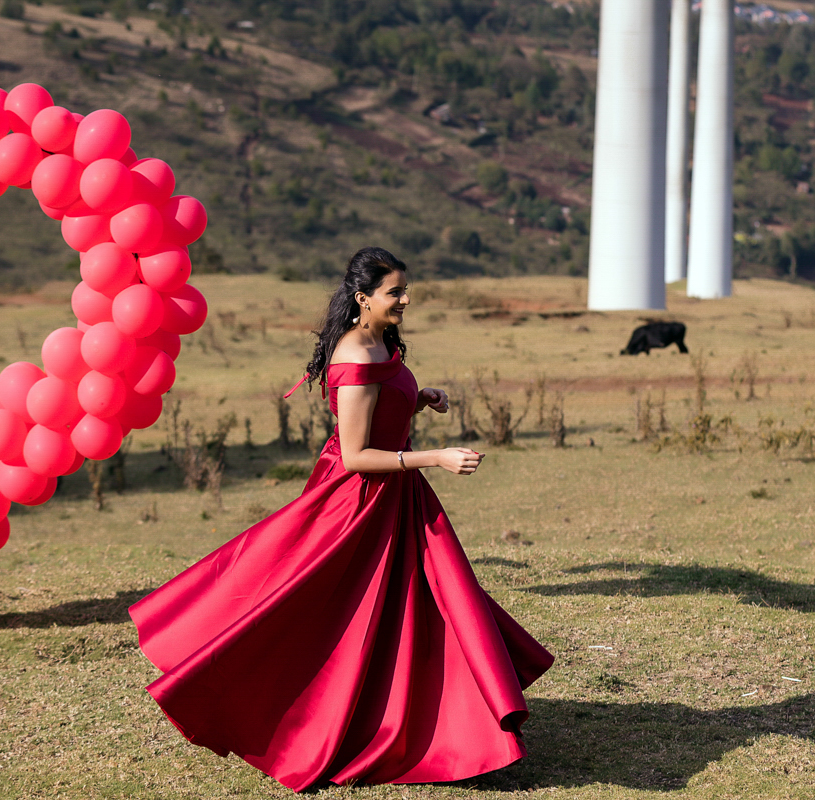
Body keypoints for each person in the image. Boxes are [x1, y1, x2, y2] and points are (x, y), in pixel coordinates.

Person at [129, 247, 554, 791]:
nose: (405, 299)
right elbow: (355, 456)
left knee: (419, 606)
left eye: (406, 290)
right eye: (395, 292)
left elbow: (378, 410)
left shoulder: (380, 342)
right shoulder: (355, 355)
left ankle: (437, 720)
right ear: (363, 298)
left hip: (394, 498)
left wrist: (415, 399)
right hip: (358, 502)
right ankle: (311, 719)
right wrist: (437, 457)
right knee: (336, 614)